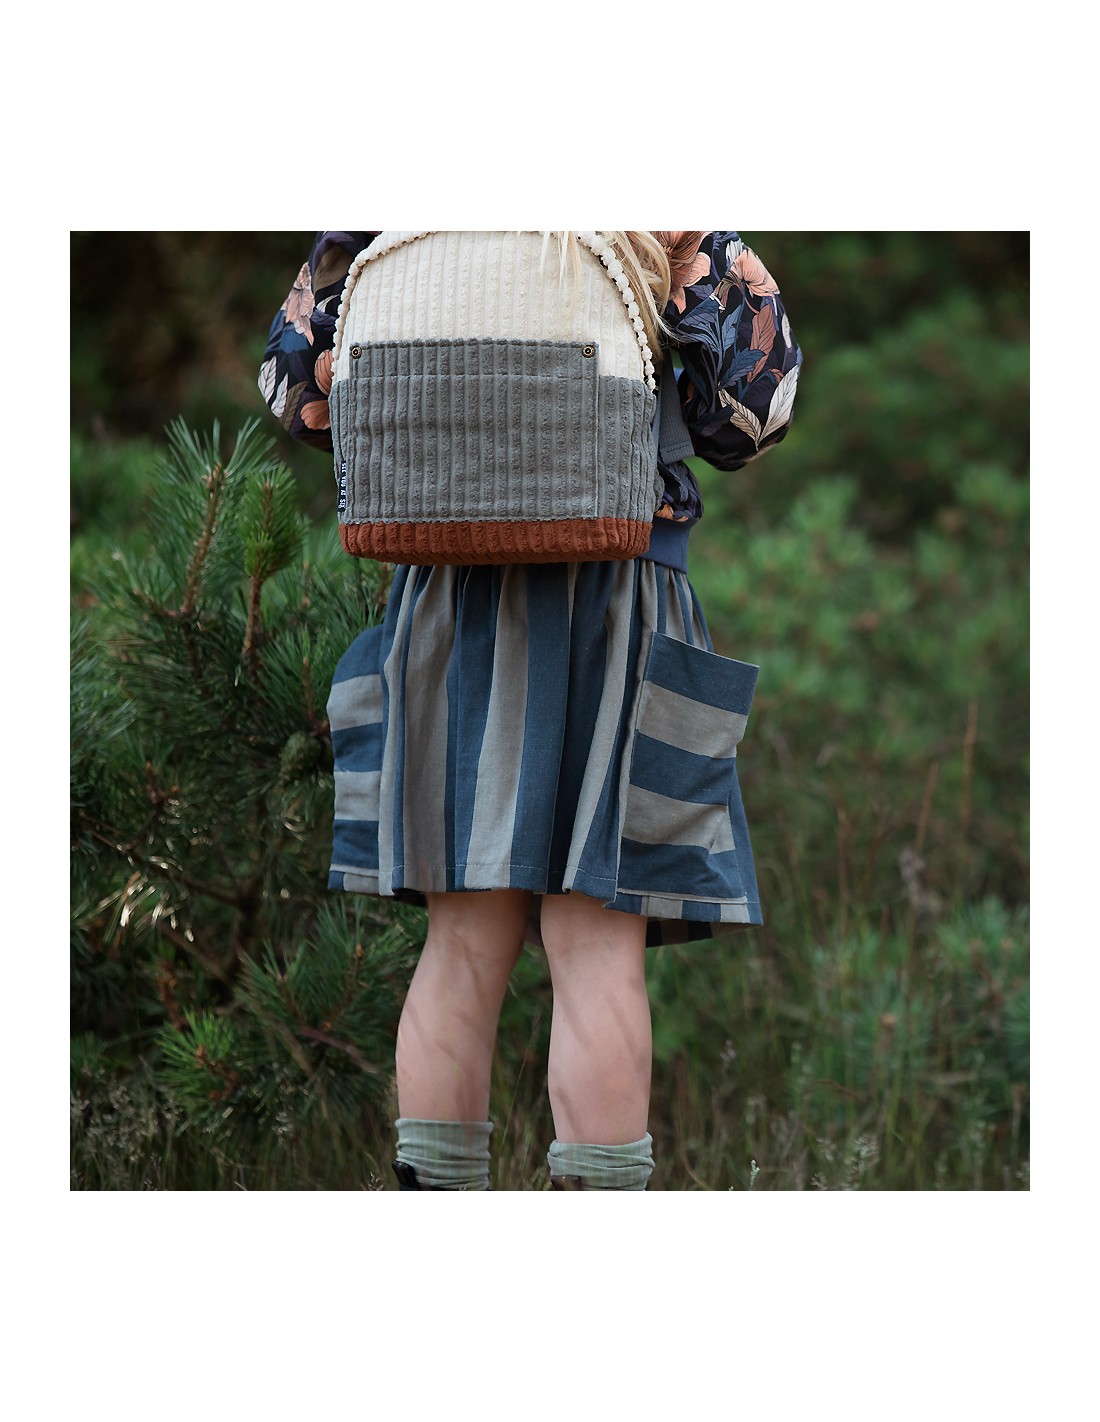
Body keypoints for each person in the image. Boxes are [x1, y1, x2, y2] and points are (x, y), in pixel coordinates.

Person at [259, 230, 801, 1190]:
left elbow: (295, 394)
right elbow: (754, 413)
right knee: (596, 952)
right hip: (620, 599)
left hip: (447, 607)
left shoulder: (398, 208)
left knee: (462, 948)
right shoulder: (656, 214)